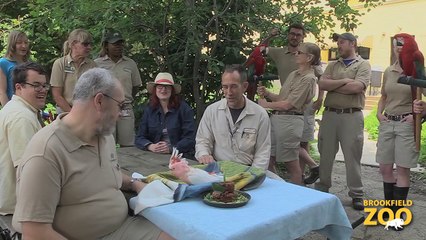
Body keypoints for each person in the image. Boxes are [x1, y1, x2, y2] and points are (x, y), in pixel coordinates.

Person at [12, 68, 173, 240]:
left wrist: (134, 183)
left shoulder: (105, 136)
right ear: (99, 101)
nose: (120, 114)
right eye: (120, 106)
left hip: (123, 227)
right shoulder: (46, 152)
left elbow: (104, 175)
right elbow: (34, 233)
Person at [315, 32, 371, 210]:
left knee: (352, 156)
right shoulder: (332, 64)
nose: (338, 45)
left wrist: (335, 84)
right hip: (330, 115)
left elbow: (356, 87)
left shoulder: (363, 65)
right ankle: (322, 188)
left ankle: (356, 194)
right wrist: (345, 81)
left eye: (342, 42)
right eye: (337, 42)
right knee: (325, 154)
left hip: (351, 116)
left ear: (353, 43)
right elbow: (322, 84)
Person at [260, 23, 323, 183]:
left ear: (309, 58)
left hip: (290, 121)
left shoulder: (308, 79)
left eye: (300, 53)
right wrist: (267, 94)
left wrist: (265, 105)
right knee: (269, 159)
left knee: (292, 166)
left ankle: (297, 196)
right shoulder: (295, 73)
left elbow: (289, 105)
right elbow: (282, 99)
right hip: (278, 119)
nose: (296, 54)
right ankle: (278, 191)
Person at [195, 64, 271, 170]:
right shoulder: (212, 111)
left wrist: (252, 176)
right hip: (217, 170)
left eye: (234, 86)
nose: (229, 92)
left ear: (244, 86)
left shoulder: (260, 115)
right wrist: (204, 155)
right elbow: (203, 141)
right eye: (225, 87)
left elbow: (263, 153)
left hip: (248, 171)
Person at [376, 40, 419, 222]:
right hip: (387, 123)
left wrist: (418, 115)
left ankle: (397, 215)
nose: (399, 47)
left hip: (405, 125)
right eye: (396, 44)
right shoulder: (389, 70)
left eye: (403, 44)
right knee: (385, 168)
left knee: (402, 170)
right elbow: (384, 96)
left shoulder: (417, 70)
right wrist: (379, 113)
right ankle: (389, 208)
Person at [0, 62, 48, 215]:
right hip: (17, 206)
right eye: (36, 85)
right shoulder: (21, 118)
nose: (43, 90)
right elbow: (26, 171)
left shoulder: (19, 109)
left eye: (44, 85)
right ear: (19, 87)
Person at [95, 29, 142, 147]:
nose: (119, 46)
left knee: (128, 145)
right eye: (115, 44)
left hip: (125, 107)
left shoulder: (130, 63)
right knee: (106, 144)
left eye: (120, 43)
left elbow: (136, 86)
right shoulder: (97, 64)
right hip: (105, 108)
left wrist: (125, 99)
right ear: (106, 45)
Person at [135, 72, 195, 157]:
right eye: (160, 87)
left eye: (167, 87)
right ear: (155, 90)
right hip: (153, 155)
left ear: (172, 90)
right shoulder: (149, 109)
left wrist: (171, 148)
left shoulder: (184, 109)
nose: (163, 90)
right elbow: (139, 137)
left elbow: (190, 138)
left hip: (180, 155)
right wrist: (150, 146)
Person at [50, 28, 97, 113]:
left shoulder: (92, 65)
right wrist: (72, 113)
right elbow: (57, 95)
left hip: (86, 112)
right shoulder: (60, 63)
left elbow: (96, 92)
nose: (89, 47)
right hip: (65, 111)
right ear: (73, 44)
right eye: (85, 44)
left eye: (90, 44)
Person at [0, 30, 30, 106]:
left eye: (26, 43)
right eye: (19, 43)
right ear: (12, 44)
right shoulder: (3, 63)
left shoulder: (29, 64)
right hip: (14, 106)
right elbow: (2, 92)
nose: (24, 46)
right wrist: (8, 112)